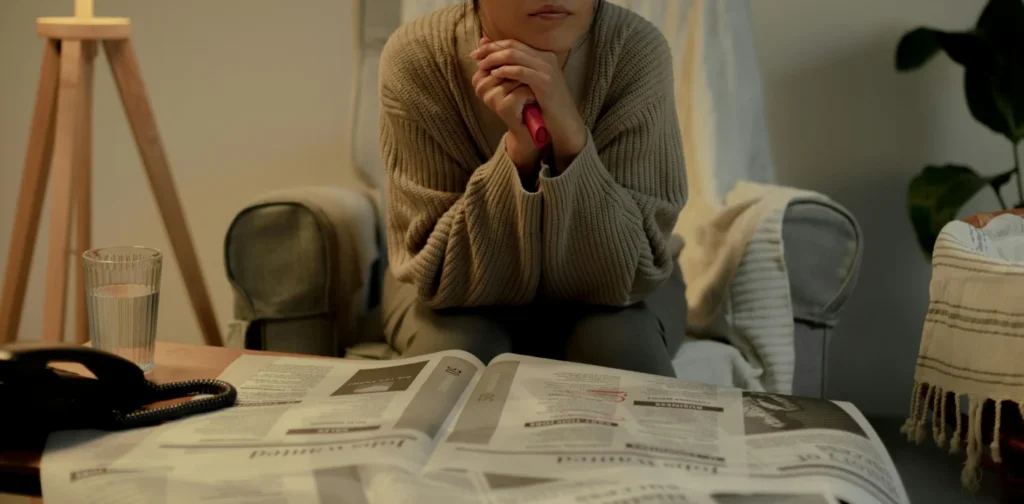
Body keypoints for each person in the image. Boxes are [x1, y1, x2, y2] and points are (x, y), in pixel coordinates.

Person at [377, 0, 688, 377]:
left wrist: (570, 136)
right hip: (453, 295)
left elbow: (630, 269)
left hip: (620, 291)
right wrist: (519, 151)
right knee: (458, 359)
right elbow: (439, 275)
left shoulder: (634, 49)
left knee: (618, 348)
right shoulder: (419, 56)